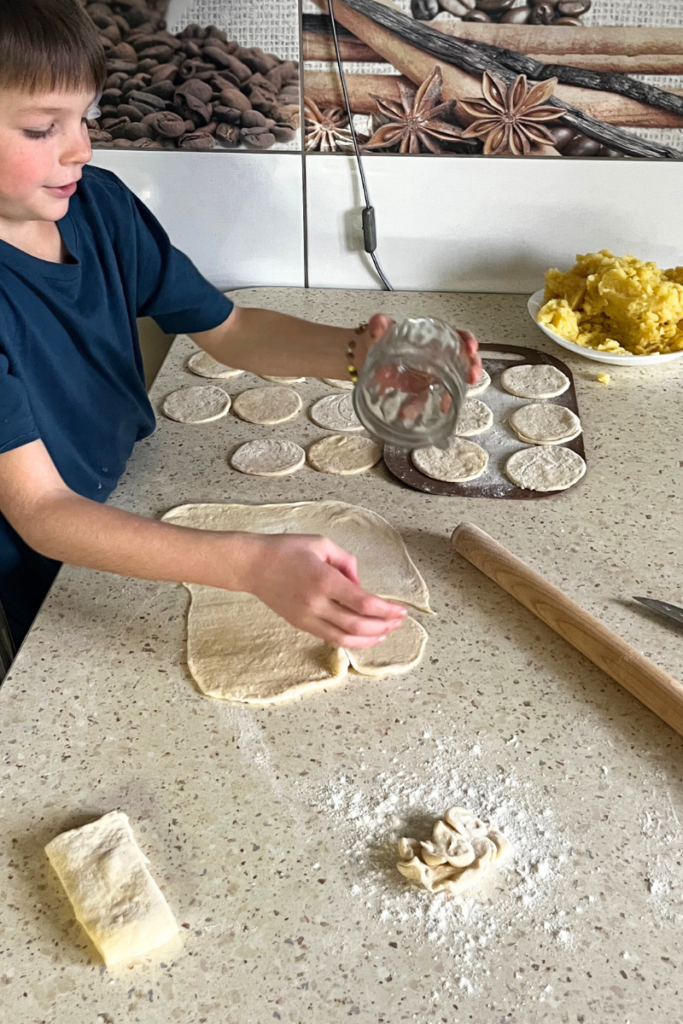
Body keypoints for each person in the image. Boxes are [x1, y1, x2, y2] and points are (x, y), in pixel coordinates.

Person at [0, 0, 480, 656]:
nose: (81, 146)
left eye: (83, 117)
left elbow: (230, 329)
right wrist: (251, 566)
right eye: (40, 129)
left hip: (124, 491)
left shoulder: (100, 207)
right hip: (41, 567)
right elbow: (42, 514)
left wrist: (361, 355)